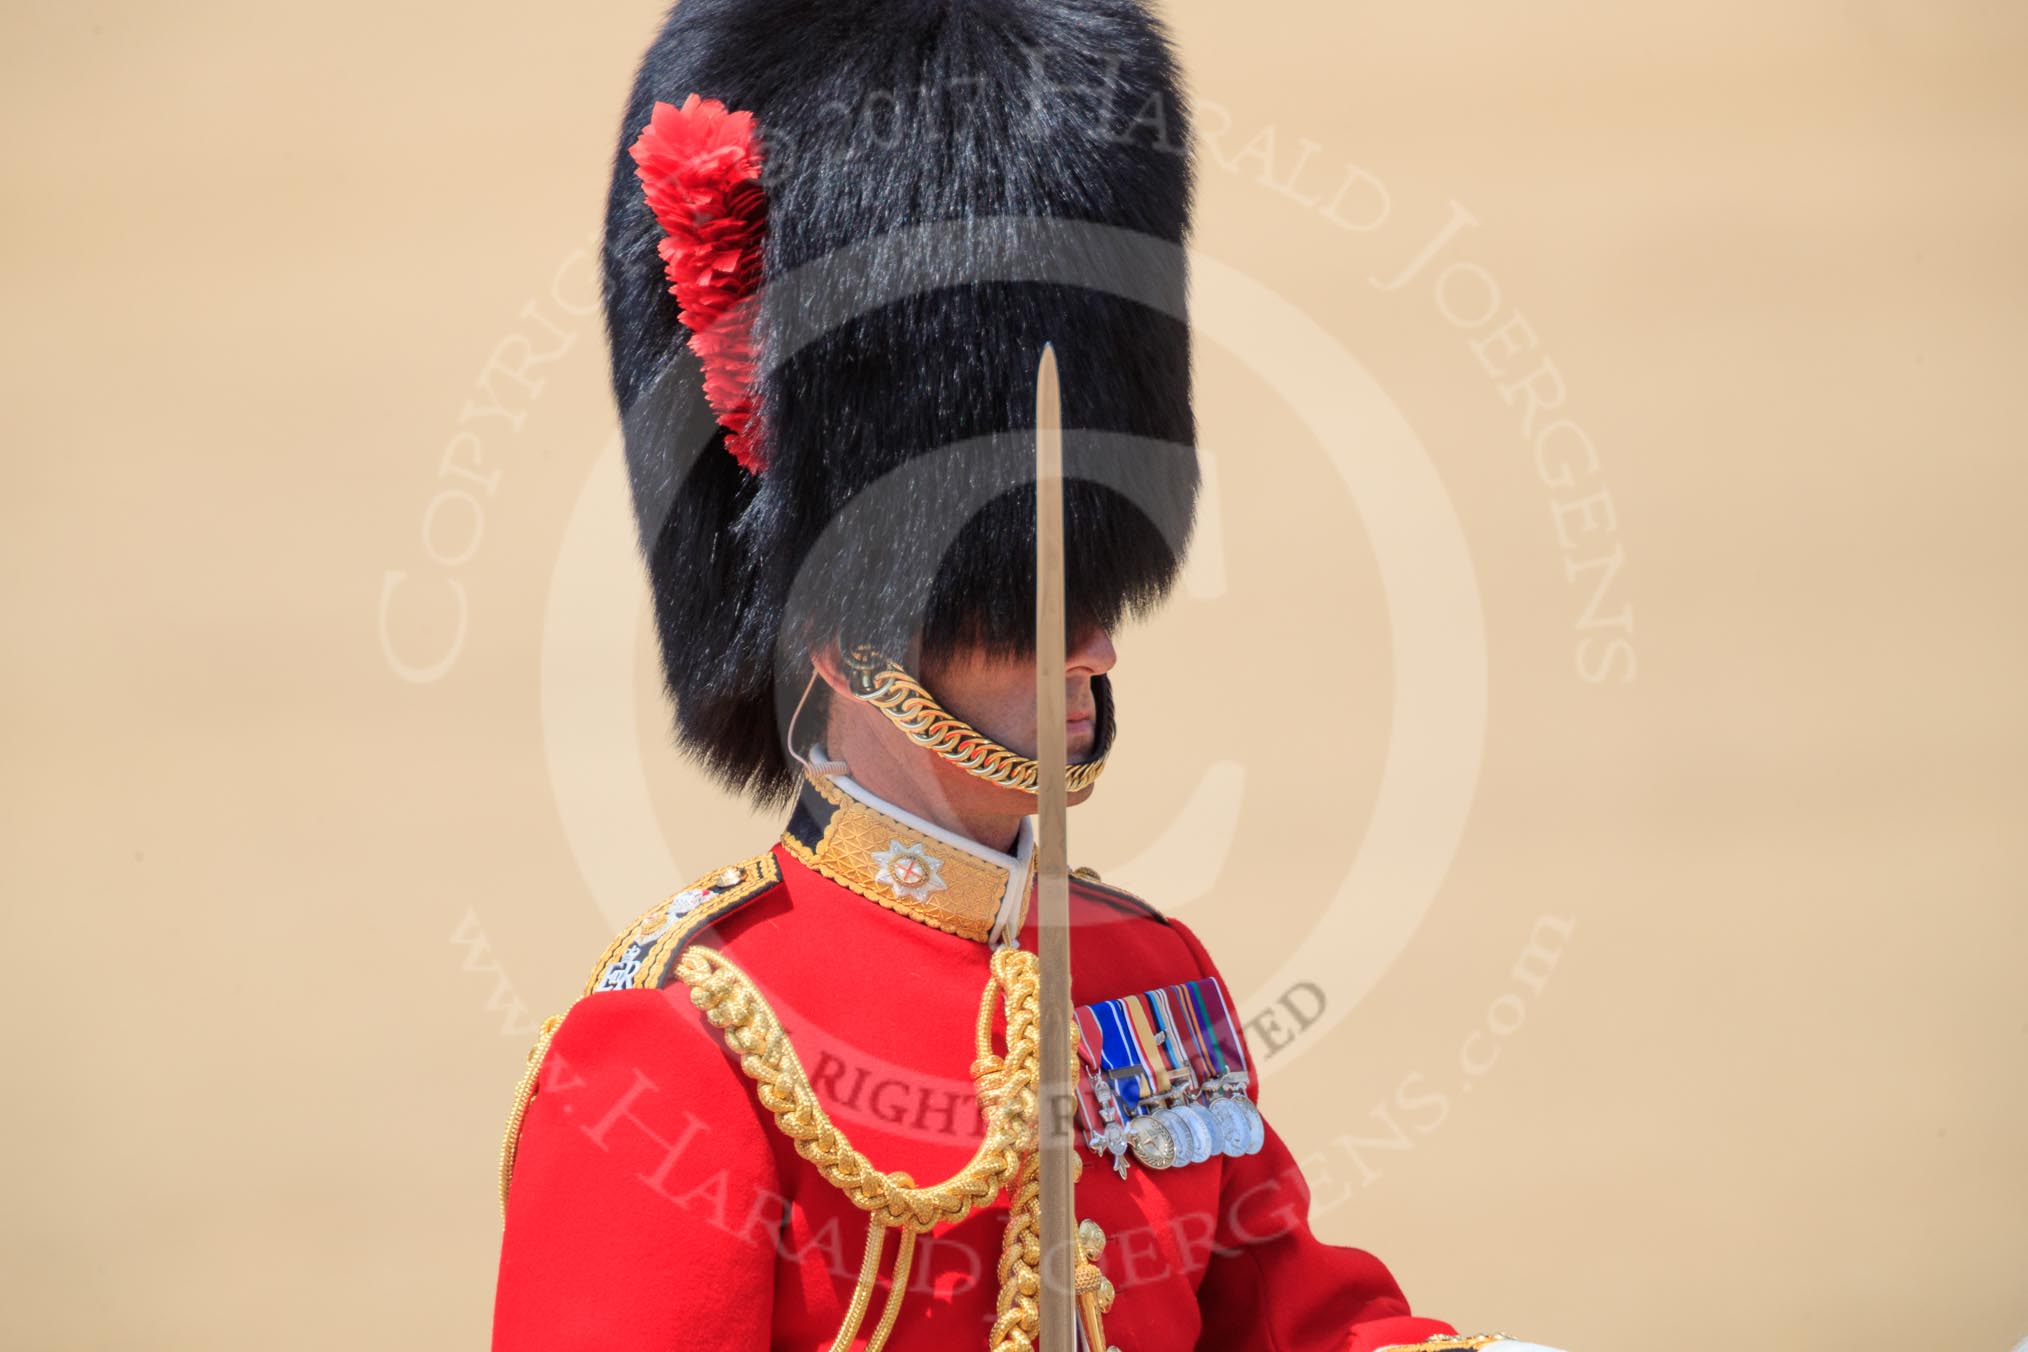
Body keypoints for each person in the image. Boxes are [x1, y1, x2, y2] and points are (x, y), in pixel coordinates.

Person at [492, 1, 1562, 1348]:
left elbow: (1295, 1323)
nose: (1095, 642)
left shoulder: (1142, 983)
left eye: (1088, 595)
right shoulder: (676, 1048)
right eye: (1019, 607)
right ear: (850, 628)